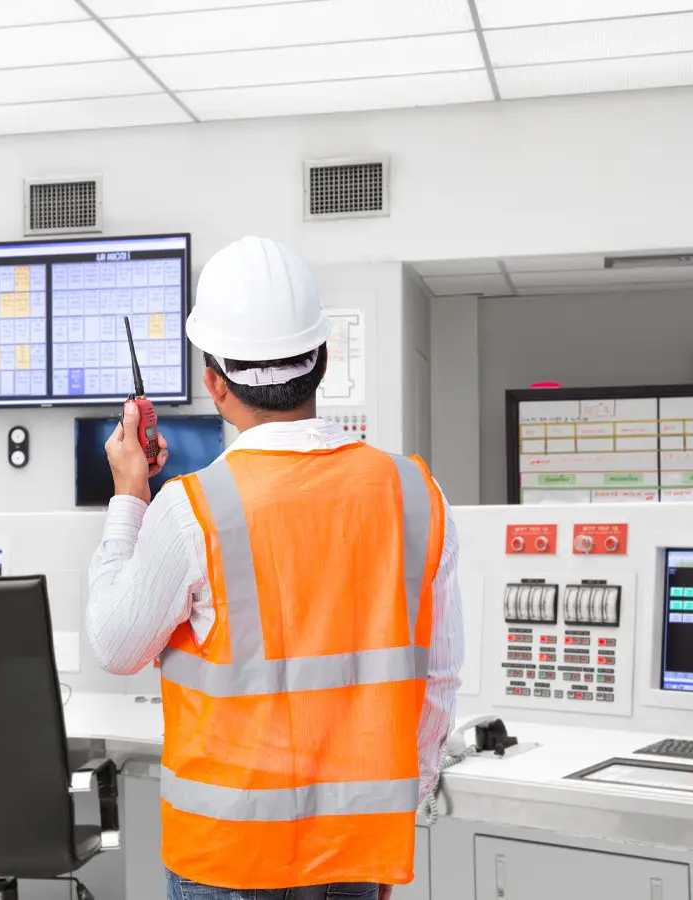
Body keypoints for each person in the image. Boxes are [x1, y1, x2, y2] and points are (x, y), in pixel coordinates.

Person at [86, 236, 463, 900]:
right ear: (322, 357)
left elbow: (116, 645)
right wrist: (398, 807)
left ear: (213, 380)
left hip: (231, 860)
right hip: (357, 850)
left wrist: (127, 497)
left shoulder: (192, 510)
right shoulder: (415, 495)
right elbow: (438, 681)